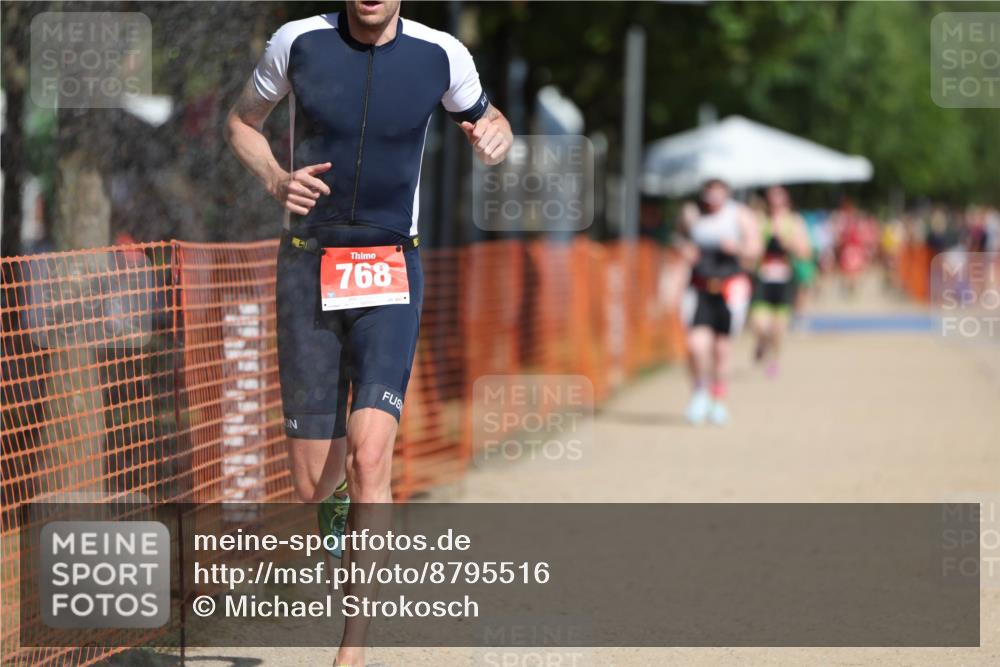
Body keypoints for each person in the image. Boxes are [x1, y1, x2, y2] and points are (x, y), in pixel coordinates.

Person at [225, 2, 511, 665]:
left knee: (371, 452)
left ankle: (351, 650)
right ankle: (341, 507)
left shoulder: (443, 55)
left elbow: (489, 119)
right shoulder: (297, 43)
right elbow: (240, 123)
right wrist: (275, 178)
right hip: (306, 268)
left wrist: (498, 133)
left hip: (389, 270)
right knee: (311, 483)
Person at [675, 179, 761, 425]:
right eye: (709, 191)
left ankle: (718, 400)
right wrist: (685, 251)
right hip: (700, 288)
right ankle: (698, 392)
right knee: (696, 346)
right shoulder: (692, 214)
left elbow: (755, 248)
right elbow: (678, 239)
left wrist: (738, 248)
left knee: (722, 349)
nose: (713, 196)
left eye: (718, 191)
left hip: (729, 289)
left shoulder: (739, 215)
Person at [749, 186, 811, 378]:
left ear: (786, 198)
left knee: (778, 327)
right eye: (771, 196)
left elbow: (805, 252)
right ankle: (761, 342)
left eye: (779, 195)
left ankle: (774, 360)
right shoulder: (760, 220)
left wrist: (789, 243)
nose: (775, 200)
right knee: (759, 323)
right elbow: (751, 248)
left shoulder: (794, 221)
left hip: (784, 279)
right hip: (763, 278)